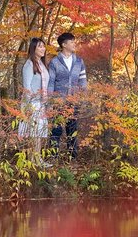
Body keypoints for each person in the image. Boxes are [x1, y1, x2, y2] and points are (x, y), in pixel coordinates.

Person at [47, 32, 88, 160]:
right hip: (58, 101)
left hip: (73, 101)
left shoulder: (79, 61)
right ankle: (53, 157)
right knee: (56, 130)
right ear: (64, 45)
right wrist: (50, 101)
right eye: (71, 42)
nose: (74, 44)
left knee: (72, 129)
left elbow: (83, 80)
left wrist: (83, 98)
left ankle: (72, 157)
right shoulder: (54, 62)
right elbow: (50, 82)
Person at [18, 37, 51, 167]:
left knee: (38, 133)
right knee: (33, 133)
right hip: (31, 103)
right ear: (33, 49)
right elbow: (26, 87)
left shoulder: (42, 64)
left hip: (41, 103)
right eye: (40, 46)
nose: (43, 49)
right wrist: (30, 106)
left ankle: (37, 160)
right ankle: (33, 161)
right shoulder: (29, 64)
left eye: (43, 46)